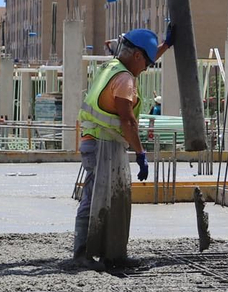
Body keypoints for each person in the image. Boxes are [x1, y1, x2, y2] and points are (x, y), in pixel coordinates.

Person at [73, 24, 174, 264]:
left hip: (98, 142)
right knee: (96, 199)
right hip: (102, 145)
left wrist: (167, 45)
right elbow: (127, 121)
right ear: (137, 56)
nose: (146, 68)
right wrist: (140, 153)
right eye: (147, 63)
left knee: (110, 199)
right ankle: (83, 253)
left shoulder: (112, 67)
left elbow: (143, 55)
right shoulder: (125, 80)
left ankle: (110, 253)